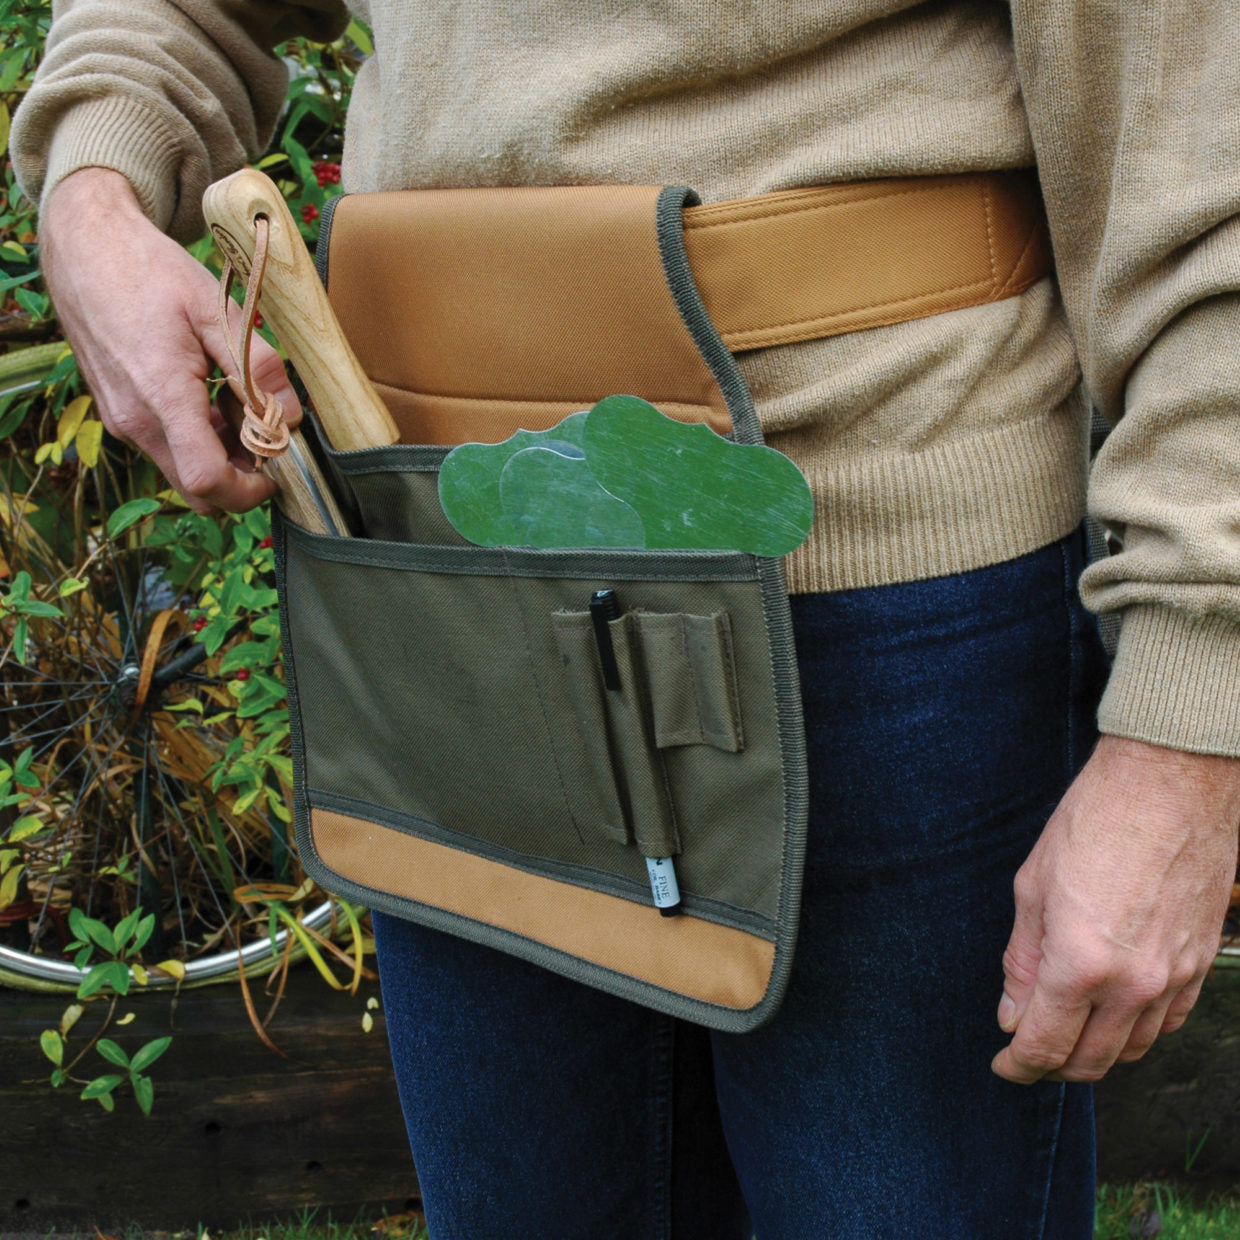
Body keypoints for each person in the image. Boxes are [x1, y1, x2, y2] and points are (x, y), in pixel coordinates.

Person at [13, 3, 1240, 1235]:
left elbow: (1198, 156)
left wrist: (1186, 731)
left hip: (880, 602)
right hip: (442, 583)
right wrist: (93, 194)